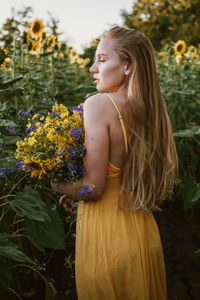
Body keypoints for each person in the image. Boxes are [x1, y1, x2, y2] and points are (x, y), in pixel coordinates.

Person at [52, 26, 178, 299]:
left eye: (102, 59)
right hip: (143, 236)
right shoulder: (151, 111)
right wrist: (77, 195)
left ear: (128, 65)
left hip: (107, 241)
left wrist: (59, 184)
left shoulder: (99, 104)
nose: (91, 68)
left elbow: (94, 189)